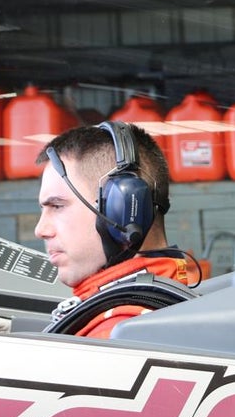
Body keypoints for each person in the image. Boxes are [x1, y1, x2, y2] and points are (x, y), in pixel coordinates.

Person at [35, 121, 193, 338]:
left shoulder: (120, 335)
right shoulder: (140, 310)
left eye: (57, 206)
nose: (40, 230)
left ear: (123, 209)